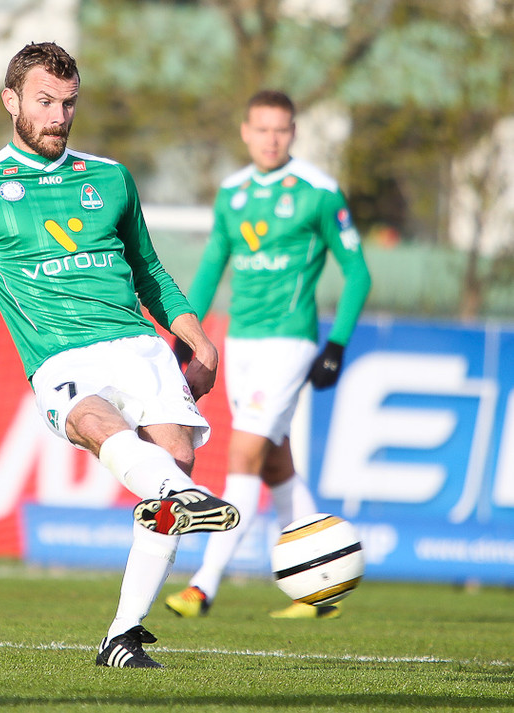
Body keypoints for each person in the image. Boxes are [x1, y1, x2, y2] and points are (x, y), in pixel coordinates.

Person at [0, 41, 240, 669]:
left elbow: (150, 273)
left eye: (68, 103)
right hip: (61, 357)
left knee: (176, 456)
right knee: (96, 422)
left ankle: (122, 635)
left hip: (137, 344)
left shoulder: (111, 178)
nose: (58, 116)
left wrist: (199, 342)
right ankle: (179, 494)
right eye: (44, 101)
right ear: (11, 101)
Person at [165, 90, 371, 620]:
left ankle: (203, 586)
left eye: (281, 129)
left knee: (244, 454)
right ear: (246, 132)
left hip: (289, 341)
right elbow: (212, 265)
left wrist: (336, 344)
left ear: (294, 132)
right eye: (262, 129)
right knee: (276, 463)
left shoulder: (319, 192)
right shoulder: (231, 193)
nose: (271, 139)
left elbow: (358, 274)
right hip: (241, 343)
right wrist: (186, 331)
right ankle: (322, 589)